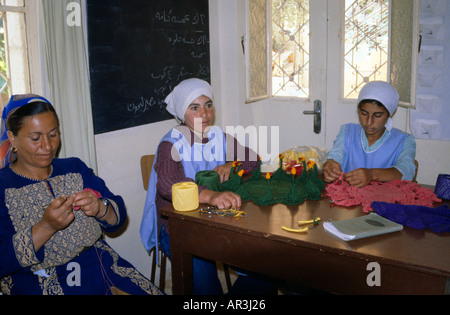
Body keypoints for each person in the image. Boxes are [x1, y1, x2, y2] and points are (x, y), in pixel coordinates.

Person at [0, 94, 162, 295]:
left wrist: (100, 208)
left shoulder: (74, 168)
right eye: (35, 138)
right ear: (12, 138)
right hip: (40, 280)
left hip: (102, 266)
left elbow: (118, 218)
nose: (48, 146)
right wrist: (45, 227)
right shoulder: (3, 187)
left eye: (53, 134)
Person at [140, 78, 276, 295]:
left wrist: (233, 164)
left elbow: (253, 159)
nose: (204, 114)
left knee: (264, 266)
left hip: (217, 220)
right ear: (183, 112)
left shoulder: (217, 136)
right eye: (195, 107)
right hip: (175, 227)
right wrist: (209, 195)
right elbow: (167, 184)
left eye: (208, 105)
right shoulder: (171, 143)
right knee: (206, 285)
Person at [323, 81, 416, 188]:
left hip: (383, 201)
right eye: (364, 113)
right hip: (348, 199)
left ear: (389, 114)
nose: (369, 122)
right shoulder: (347, 132)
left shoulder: (404, 140)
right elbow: (336, 156)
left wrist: (371, 174)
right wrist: (330, 165)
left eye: (377, 115)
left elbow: (406, 171)